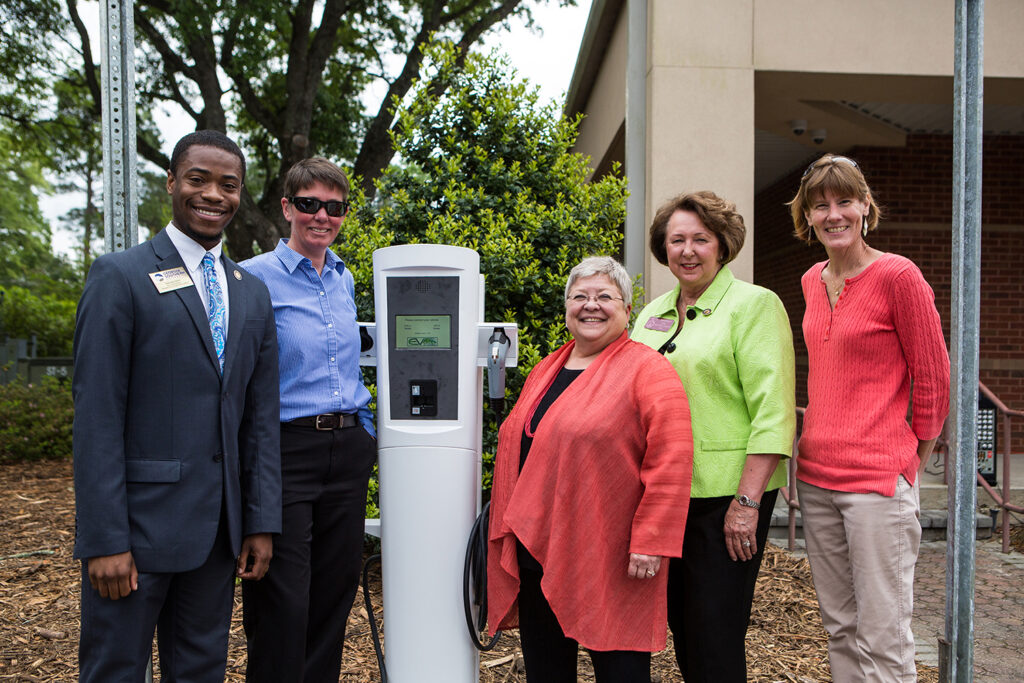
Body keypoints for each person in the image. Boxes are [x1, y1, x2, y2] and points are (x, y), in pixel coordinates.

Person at [72, 130, 281, 682]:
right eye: (198, 179)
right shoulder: (120, 276)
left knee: (200, 672)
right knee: (114, 670)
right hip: (135, 536)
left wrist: (259, 522)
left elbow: (258, 420)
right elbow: (96, 418)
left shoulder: (251, 291)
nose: (214, 194)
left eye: (228, 184)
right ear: (170, 183)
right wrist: (104, 539)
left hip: (217, 536)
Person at [487, 256, 694, 682]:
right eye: (579, 296)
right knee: (546, 668)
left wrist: (652, 539)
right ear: (566, 309)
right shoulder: (548, 368)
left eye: (604, 296)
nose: (591, 305)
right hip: (537, 543)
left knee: (620, 667)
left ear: (627, 311)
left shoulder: (647, 369)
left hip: (611, 549)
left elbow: (672, 457)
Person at [788, 154, 949, 682]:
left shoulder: (898, 276)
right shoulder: (812, 280)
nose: (833, 214)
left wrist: (912, 457)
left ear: (864, 207)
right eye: (820, 205)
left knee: (883, 635)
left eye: (844, 201)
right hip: (817, 479)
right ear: (807, 216)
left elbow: (933, 377)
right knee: (839, 628)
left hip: (878, 486)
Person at [631, 191, 796, 682]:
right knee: (682, 627)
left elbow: (773, 410)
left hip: (726, 497)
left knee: (714, 635)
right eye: (676, 239)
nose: (687, 250)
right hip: (664, 494)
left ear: (722, 245)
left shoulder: (754, 305)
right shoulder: (649, 314)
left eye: (700, 239)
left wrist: (747, 503)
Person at [239, 157, 377, 682]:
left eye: (334, 207)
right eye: (309, 204)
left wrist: (364, 430)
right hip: (286, 450)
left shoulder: (343, 278)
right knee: (283, 599)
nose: (321, 216)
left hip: (347, 450)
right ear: (287, 208)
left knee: (332, 597)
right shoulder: (252, 278)